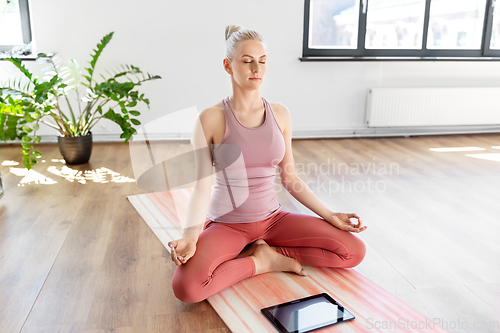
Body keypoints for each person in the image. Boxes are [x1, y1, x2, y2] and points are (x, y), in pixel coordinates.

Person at [167, 25, 367, 304]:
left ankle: (269, 252)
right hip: (228, 224)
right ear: (228, 66)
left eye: (262, 61)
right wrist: (190, 236)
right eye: (247, 61)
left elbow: (290, 178)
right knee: (187, 287)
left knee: (353, 251)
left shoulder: (281, 114)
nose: (255, 68)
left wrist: (331, 215)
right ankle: (261, 261)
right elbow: (202, 185)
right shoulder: (210, 118)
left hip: (274, 220)